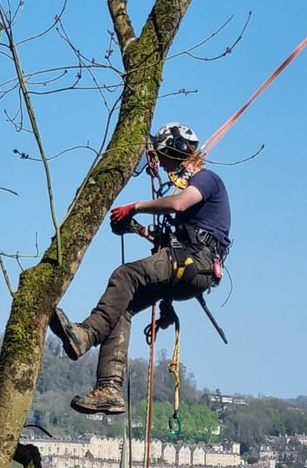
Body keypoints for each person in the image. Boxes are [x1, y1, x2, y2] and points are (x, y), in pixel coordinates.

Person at [49, 123, 231, 415]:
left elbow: (178, 204)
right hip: (188, 264)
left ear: (179, 151)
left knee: (126, 275)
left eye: (166, 156)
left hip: (195, 262)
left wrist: (135, 207)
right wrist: (134, 228)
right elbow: (168, 239)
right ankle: (109, 387)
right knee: (123, 306)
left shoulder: (207, 180)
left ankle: (85, 335)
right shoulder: (194, 193)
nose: (165, 164)